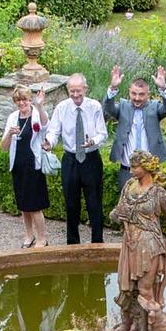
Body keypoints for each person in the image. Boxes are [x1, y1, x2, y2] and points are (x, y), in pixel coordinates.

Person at [108, 150, 166, 331]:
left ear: (147, 167)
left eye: (135, 167)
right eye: (130, 166)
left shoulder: (158, 192)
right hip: (130, 243)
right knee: (126, 288)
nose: (131, 171)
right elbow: (116, 212)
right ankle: (128, 325)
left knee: (145, 290)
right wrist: (116, 215)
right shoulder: (129, 187)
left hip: (149, 244)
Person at [44, 73, 109, 245]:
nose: (75, 95)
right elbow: (53, 131)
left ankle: (97, 242)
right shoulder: (62, 107)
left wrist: (92, 141)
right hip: (70, 160)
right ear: (67, 90)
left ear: (85, 89)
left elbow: (103, 133)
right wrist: (48, 142)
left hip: (91, 159)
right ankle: (72, 244)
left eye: (78, 91)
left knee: (94, 204)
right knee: (71, 205)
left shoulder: (94, 106)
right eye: (72, 91)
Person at [103, 65, 166, 193]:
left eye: (141, 94)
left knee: (150, 208)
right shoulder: (123, 106)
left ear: (148, 94)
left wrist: (163, 88)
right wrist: (113, 88)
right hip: (127, 170)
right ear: (129, 91)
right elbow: (108, 107)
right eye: (134, 93)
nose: (137, 98)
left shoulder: (155, 107)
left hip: (150, 171)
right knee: (126, 207)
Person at [2, 84, 51, 249]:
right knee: (24, 205)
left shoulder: (37, 114)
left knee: (35, 205)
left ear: (29, 99)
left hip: (33, 165)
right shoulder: (12, 118)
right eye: (18, 100)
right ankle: (29, 235)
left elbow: (45, 126)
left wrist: (40, 104)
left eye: (24, 100)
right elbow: (3, 146)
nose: (21, 103)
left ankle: (42, 238)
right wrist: (9, 133)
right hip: (18, 166)